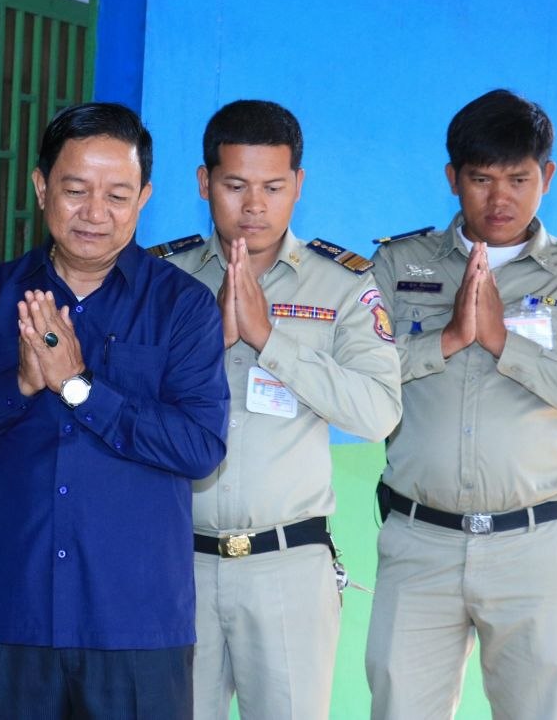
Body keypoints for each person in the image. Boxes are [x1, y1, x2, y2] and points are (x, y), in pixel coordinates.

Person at [0, 102, 230, 719]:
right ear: (41, 187)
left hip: (136, 623)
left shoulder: (182, 307)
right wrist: (20, 384)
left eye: (117, 195)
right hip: (17, 615)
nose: (94, 213)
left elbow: (200, 448)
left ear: (144, 199)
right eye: (75, 190)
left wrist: (81, 388)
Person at [364, 89, 557, 719]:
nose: (500, 199)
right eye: (481, 179)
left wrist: (505, 345)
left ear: (546, 176)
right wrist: (447, 340)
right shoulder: (397, 264)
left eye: (519, 179)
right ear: (452, 179)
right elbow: (355, 380)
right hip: (419, 542)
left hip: (535, 547)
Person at [164, 100, 402, 720]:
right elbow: (123, 406)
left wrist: (270, 340)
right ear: (204, 182)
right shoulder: (162, 280)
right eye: (234, 185)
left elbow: (378, 412)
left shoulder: (343, 284)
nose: (254, 206)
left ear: (298, 184)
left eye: (272, 187)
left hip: (289, 566)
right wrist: (209, 341)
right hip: (174, 562)